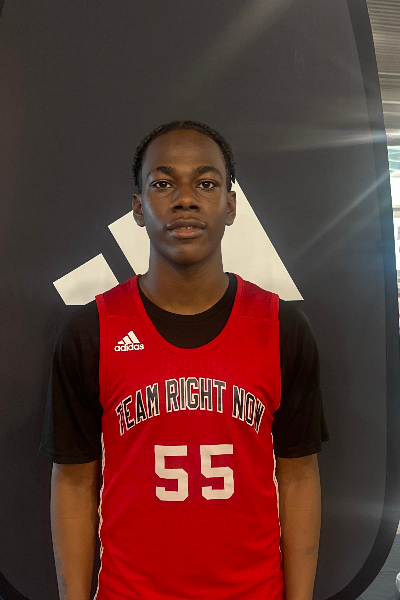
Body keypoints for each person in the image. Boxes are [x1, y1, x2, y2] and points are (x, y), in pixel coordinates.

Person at [40, 120, 329, 600]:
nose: (186, 200)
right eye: (163, 184)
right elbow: (72, 482)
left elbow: (298, 476)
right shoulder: (91, 332)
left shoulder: (282, 329)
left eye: (206, 183)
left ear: (231, 206)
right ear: (139, 208)